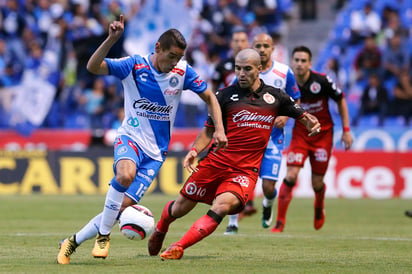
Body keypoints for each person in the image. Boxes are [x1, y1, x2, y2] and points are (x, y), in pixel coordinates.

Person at [57, 15, 228, 264]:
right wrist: (111, 39)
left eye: (179, 58)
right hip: (130, 137)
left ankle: (71, 242)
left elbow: (210, 97)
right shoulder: (133, 65)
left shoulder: (183, 72)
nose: (175, 63)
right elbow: (93, 67)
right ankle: (104, 236)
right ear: (158, 48)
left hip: (156, 153)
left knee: (118, 210)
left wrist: (220, 129)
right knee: (124, 176)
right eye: (171, 56)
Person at [147, 48, 321, 260]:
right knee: (180, 207)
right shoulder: (224, 96)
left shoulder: (276, 97)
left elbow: (302, 116)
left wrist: (310, 121)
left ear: (259, 69)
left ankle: (179, 246)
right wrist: (194, 150)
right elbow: (208, 130)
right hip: (215, 163)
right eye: (238, 68)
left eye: (247, 69)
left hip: (244, 171)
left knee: (221, 206)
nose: (241, 73)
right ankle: (162, 226)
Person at [271, 46, 353, 233]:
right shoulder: (285, 83)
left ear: (310, 63)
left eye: (303, 61)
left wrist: (346, 130)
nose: (299, 64)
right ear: (292, 62)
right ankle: (280, 222)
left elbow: (341, 99)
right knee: (291, 175)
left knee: (317, 183)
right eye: (296, 60)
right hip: (301, 134)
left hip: (323, 135)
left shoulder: (322, 81)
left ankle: (319, 206)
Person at [224, 32, 301, 235]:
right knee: (237, 182)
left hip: (273, 139)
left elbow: (295, 99)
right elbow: (229, 99)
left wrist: (286, 116)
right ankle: (232, 223)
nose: (262, 49)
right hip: (246, 139)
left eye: (266, 46)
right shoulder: (242, 74)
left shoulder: (284, 72)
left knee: (268, 187)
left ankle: (268, 203)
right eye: (257, 45)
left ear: (272, 49)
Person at [211, 28, 258, 217]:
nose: (239, 44)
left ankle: (244, 199)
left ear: (247, 43)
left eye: (243, 40)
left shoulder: (254, 65)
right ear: (231, 44)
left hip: (247, 117)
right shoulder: (222, 66)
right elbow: (212, 94)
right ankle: (227, 195)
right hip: (225, 117)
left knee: (247, 157)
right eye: (236, 40)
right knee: (224, 155)